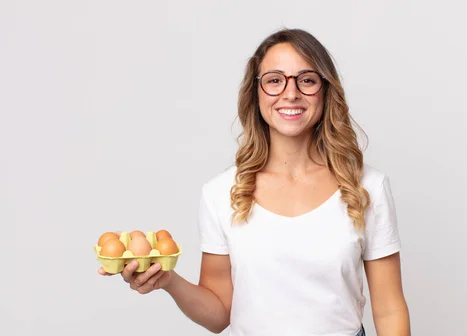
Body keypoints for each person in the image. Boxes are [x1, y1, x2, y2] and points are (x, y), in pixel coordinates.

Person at [99, 28, 411, 336]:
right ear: (256, 92)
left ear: (326, 91)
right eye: (275, 80)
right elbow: (220, 314)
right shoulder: (222, 193)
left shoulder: (367, 187)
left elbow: (389, 309)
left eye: (307, 80)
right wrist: (168, 281)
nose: (291, 93)